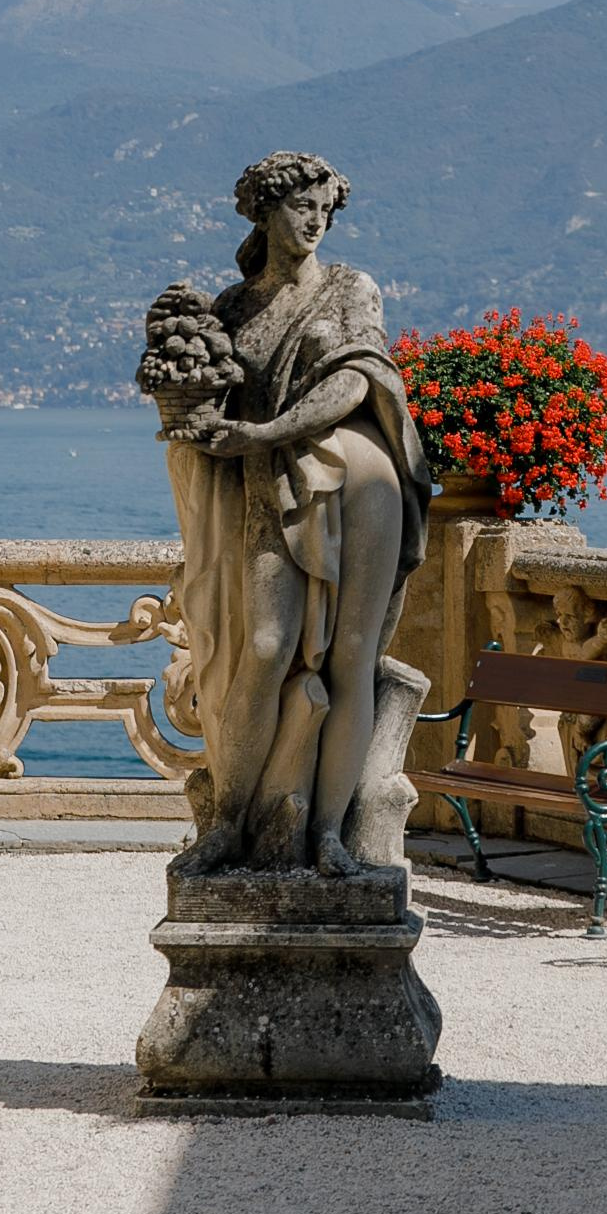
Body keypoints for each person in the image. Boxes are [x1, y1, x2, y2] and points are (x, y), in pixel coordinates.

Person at [165, 151, 431, 874]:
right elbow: (209, 397)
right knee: (263, 649)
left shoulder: (351, 289)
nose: (315, 221)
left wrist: (267, 433)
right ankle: (231, 823)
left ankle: (329, 833)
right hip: (266, 489)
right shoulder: (232, 307)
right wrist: (202, 429)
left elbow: (356, 379)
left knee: (351, 658)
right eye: (300, 207)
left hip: (359, 481)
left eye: (325, 210)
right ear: (264, 212)